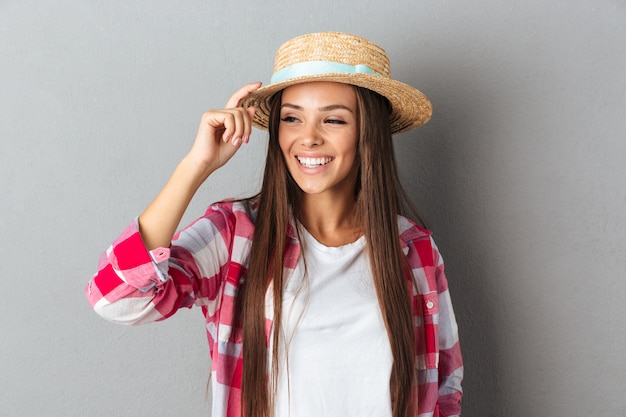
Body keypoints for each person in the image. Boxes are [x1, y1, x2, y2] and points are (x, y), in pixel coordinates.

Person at [86, 32, 463, 417]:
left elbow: (445, 387)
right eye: (292, 118)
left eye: (333, 119)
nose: (309, 138)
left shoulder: (413, 248)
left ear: (369, 131)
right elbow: (115, 298)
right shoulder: (236, 235)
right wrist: (195, 166)